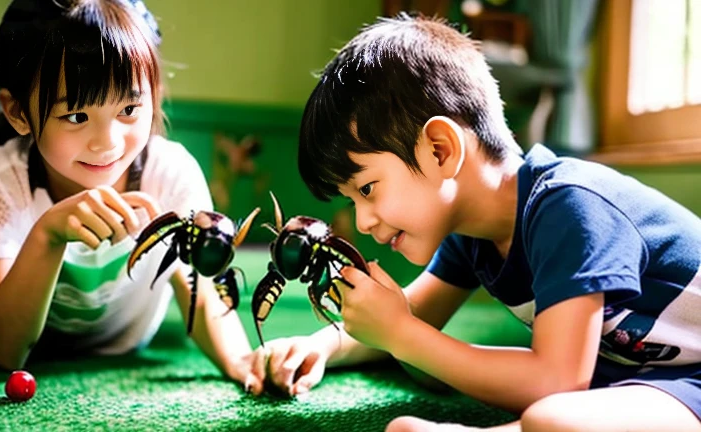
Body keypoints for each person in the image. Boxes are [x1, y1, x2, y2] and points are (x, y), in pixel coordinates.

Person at [247, 14, 701, 431]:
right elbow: (408, 314)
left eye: (366, 189)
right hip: (659, 380)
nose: (362, 222)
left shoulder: (569, 207)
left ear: (441, 149)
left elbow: (557, 378)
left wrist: (403, 336)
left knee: (555, 416)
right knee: (556, 418)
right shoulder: (472, 236)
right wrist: (321, 345)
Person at [0, 0, 262, 391]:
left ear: (152, 95)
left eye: (128, 109)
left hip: (119, 342)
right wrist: (48, 234)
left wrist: (245, 362)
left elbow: (203, 298)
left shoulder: (171, 176)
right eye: (76, 116)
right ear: (18, 112)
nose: (107, 144)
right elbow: (5, 353)